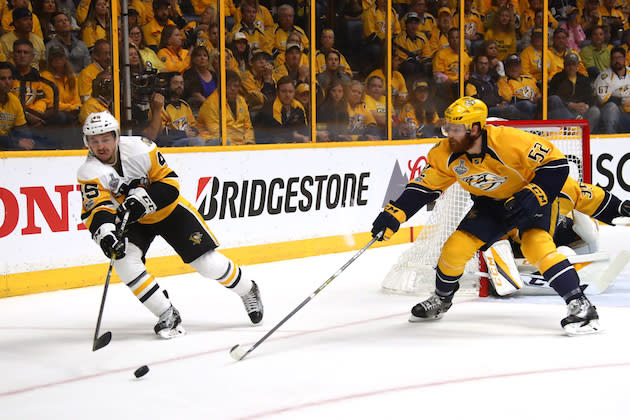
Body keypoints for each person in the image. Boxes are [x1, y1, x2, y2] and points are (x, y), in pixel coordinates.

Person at [370, 96, 600, 335]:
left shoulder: (510, 141)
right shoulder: (444, 153)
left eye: (456, 129)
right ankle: (442, 299)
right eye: (448, 127)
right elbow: (423, 188)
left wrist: (536, 193)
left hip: (529, 199)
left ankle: (580, 305)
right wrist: (394, 214)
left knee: (537, 246)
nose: (450, 134)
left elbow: (557, 165)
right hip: (490, 204)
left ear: (476, 129)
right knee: (455, 249)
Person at [77, 110, 263, 338]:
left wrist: (142, 202)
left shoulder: (140, 148)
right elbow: (98, 209)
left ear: (116, 137)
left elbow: (170, 183)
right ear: (87, 142)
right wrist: (106, 236)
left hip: (168, 210)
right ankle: (166, 313)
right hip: (134, 220)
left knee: (207, 264)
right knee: (124, 262)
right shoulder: (88, 172)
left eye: (106, 139)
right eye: (94, 141)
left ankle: (248, 289)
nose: (101, 146)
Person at [198, 70, 255, 145]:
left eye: (236, 86)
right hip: (217, 143)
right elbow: (215, 131)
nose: (233, 89)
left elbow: (247, 125)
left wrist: (249, 141)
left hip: (240, 143)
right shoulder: (210, 104)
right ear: (221, 86)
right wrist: (237, 142)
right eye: (229, 85)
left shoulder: (241, 100)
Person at [549, 52, 601, 130]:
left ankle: (583, 135)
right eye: (568, 64)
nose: (571, 67)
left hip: (580, 112)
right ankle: (573, 123)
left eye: (573, 64)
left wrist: (586, 106)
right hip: (564, 111)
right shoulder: (557, 78)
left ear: (577, 66)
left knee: (595, 111)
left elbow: (590, 98)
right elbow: (552, 96)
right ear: (564, 66)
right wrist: (569, 104)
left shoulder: (584, 79)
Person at [153, 72, 204, 147]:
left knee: (220, 141)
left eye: (181, 83)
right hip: (172, 143)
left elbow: (193, 125)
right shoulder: (160, 105)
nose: (179, 86)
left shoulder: (185, 105)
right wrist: (183, 134)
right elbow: (161, 134)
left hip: (189, 140)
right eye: (176, 83)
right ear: (168, 85)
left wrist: (194, 131)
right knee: (198, 141)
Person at [254, 75, 308, 143]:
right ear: (277, 92)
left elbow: (303, 128)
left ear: (294, 93)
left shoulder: (298, 107)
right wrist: (300, 138)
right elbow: (279, 133)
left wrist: (317, 133)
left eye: (290, 91)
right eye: (283, 91)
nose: (287, 95)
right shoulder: (269, 109)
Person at [592, 46, 630, 134]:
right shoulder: (604, 76)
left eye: (619, 58)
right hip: (617, 110)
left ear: (624, 59)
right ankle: (610, 139)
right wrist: (622, 101)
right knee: (611, 107)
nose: (617, 61)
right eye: (614, 58)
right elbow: (602, 99)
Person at [0, 61, 34, 150]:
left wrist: (29, 141)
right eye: (3, 79)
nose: (7, 82)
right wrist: (16, 142)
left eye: (10, 78)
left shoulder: (14, 101)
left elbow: (23, 131)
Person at [182, 46, 216, 113]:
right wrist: (212, 108)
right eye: (199, 55)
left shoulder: (214, 75)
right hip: (196, 110)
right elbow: (196, 95)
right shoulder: (189, 74)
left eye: (205, 55)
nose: (202, 58)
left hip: (214, 108)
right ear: (193, 59)